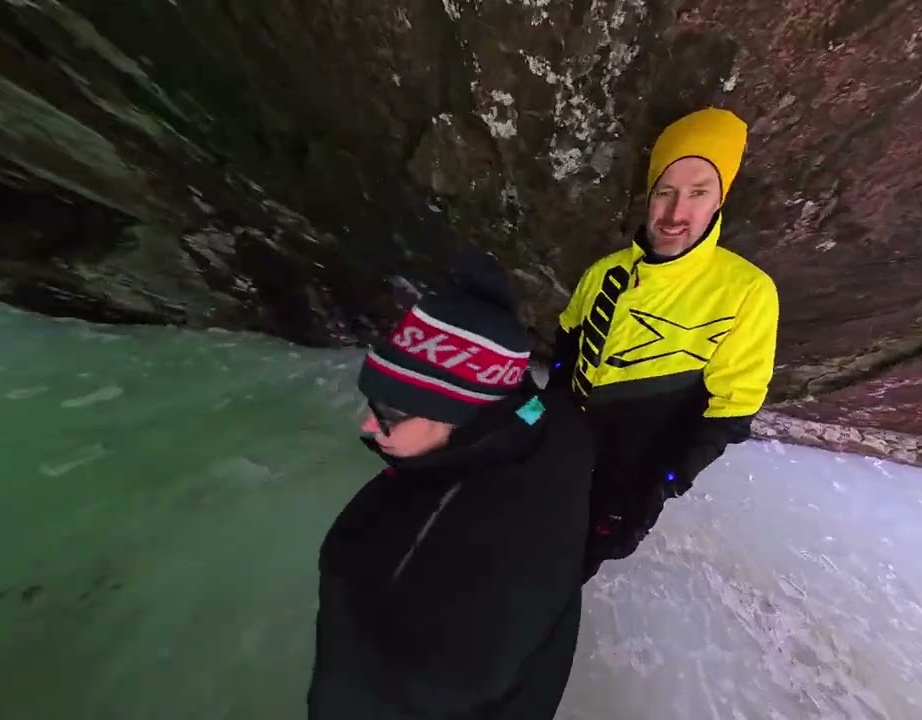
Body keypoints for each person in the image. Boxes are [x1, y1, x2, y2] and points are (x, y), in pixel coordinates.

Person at [306, 252, 594, 720]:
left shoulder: (416, 557)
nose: (368, 426)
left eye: (392, 413)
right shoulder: (551, 422)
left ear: (463, 414)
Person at [547, 107, 780, 579]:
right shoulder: (605, 273)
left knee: (571, 569)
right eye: (666, 192)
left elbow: (731, 412)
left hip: (628, 479)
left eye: (698, 193)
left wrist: (665, 481)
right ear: (650, 196)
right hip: (562, 453)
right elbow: (566, 350)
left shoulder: (746, 292)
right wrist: (545, 418)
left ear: (719, 202)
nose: (676, 214)